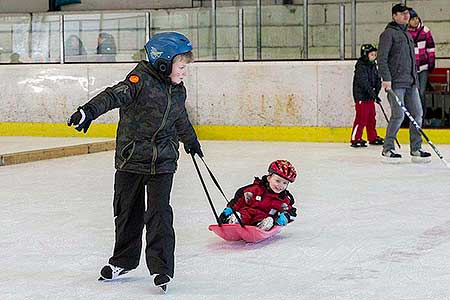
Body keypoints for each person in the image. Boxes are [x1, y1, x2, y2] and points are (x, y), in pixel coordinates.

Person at [67, 32, 203, 291]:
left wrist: (191, 141)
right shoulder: (138, 81)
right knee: (127, 212)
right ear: (163, 63)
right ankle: (123, 261)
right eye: (182, 66)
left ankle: (162, 269)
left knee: (160, 215)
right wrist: (88, 111)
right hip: (131, 159)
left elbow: (180, 118)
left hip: (163, 162)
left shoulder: (177, 90)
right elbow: (111, 96)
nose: (185, 72)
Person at [377, 3, 431, 163]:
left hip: (411, 82)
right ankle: (388, 148)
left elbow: (411, 60)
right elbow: (382, 59)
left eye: (407, 13)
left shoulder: (407, 34)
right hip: (396, 83)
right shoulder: (388, 34)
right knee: (398, 115)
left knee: (417, 114)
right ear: (394, 16)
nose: (406, 16)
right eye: (402, 13)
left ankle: (416, 148)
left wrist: (415, 77)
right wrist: (386, 79)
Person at [219, 160, 297, 231]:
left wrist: (285, 217)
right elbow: (238, 200)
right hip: (246, 213)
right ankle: (235, 220)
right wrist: (228, 211)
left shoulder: (283, 199)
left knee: (267, 219)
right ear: (269, 178)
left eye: (285, 183)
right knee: (243, 214)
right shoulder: (254, 190)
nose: (280, 185)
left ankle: (262, 227)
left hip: (262, 218)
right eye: (277, 181)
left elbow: (291, 211)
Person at [350, 44, 383, 148]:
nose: (374, 57)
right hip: (362, 97)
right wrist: (373, 94)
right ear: (365, 55)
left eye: (375, 55)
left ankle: (372, 137)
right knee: (361, 118)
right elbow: (364, 83)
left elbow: (377, 79)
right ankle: (355, 138)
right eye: (372, 54)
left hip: (369, 96)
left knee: (371, 118)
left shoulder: (373, 66)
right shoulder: (361, 67)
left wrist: (376, 92)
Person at [407, 8, 436, 121]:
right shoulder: (406, 33)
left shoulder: (425, 31)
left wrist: (431, 62)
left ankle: (422, 117)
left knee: (421, 92)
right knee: (412, 93)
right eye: (412, 19)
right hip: (410, 68)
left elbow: (430, 47)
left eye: (416, 18)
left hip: (423, 67)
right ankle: (412, 117)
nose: (415, 21)